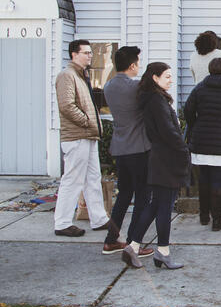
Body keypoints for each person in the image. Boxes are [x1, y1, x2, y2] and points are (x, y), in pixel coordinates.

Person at [129, 61, 190, 270]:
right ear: (155, 78)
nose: (171, 80)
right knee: (164, 207)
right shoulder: (157, 100)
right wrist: (183, 149)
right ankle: (163, 251)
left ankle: (134, 246)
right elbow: (167, 131)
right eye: (167, 76)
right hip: (167, 159)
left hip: (160, 157)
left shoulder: (154, 99)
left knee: (156, 205)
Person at [102, 46, 155, 259]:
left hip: (120, 146)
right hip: (139, 147)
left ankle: (111, 239)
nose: (139, 66)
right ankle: (134, 243)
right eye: (138, 63)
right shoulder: (136, 88)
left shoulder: (108, 86)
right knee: (142, 196)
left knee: (123, 195)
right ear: (132, 65)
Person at [53, 39, 110, 237]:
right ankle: (62, 223)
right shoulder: (67, 76)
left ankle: (99, 218)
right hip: (77, 136)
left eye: (90, 53)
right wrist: (86, 121)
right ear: (73, 54)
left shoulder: (81, 76)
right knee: (73, 180)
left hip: (88, 135)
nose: (89, 56)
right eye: (85, 52)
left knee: (93, 178)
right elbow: (66, 105)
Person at [183, 57, 221, 231]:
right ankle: (217, 220)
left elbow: (188, 110)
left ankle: (204, 215)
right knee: (220, 180)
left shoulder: (199, 88)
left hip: (202, 139)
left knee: (204, 178)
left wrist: (196, 123)